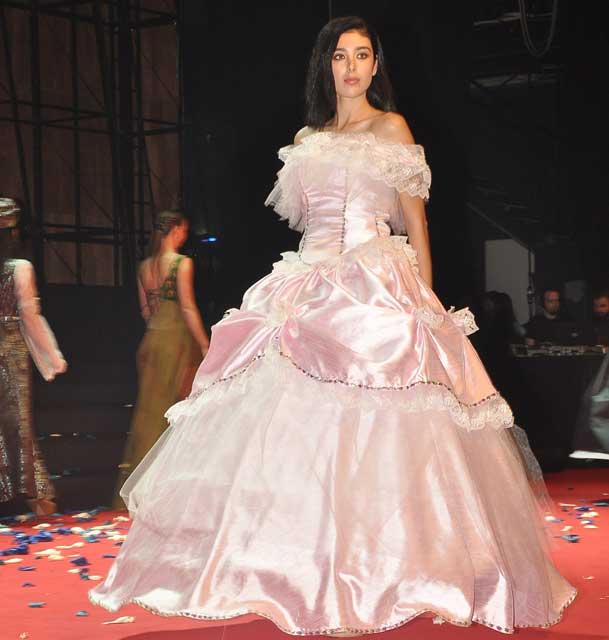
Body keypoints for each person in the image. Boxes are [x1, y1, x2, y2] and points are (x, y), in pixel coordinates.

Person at [91, 17, 576, 636]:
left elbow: (416, 225)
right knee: (290, 429)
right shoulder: (306, 139)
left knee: (384, 429)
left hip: (374, 283)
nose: (351, 67)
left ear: (376, 65)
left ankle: (394, 566)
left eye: (362, 55)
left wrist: (427, 307)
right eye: (340, 56)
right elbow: (305, 222)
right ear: (326, 65)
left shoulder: (393, 128)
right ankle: (299, 564)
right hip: (305, 285)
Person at [112, 210, 209, 508]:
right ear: (175, 230)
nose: (185, 236)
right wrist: (204, 344)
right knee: (174, 414)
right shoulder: (181, 263)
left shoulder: (144, 267)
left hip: (151, 342)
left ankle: (144, 489)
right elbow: (188, 308)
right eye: (184, 231)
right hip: (175, 341)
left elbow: (145, 310)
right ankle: (166, 492)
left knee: (149, 414)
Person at [0, 198, 67, 515]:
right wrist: (52, 356)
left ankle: (29, 492)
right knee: (19, 423)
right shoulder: (20, 269)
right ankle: (35, 493)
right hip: (11, 348)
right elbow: (30, 316)